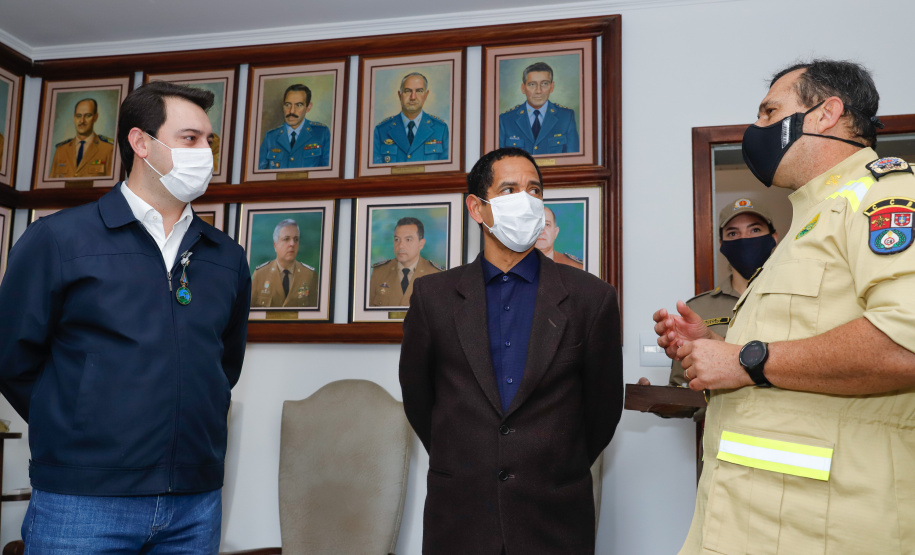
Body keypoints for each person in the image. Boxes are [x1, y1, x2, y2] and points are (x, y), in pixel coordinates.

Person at [655, 60, 915, 554]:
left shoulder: (884, 196)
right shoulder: (807, 223)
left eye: (770, 111)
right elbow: (790, 350)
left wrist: (743, 360)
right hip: (754, 517)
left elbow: (906, 343)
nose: (757, 130)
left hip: (830, 526)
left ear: (826, 113)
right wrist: (714, 348)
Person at [0, 80, 251, 552]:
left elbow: (224, 367)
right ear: (141, 143)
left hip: (194, 503)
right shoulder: (58, 240)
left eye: (208, 141)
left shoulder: (227, 257)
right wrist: (77, 423)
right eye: (190, 139)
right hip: (82, 499)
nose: (205, 154)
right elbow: (11, 357)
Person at [399, 147, 622, 554]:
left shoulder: (593, 298)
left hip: (554, 517)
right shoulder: (433, 297)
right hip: (460, 515)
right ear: (477, 208)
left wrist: (550, 463)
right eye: (509, 189)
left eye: (534, 190)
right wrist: (471, 457)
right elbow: (419, 398)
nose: (526, 199)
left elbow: (603, 409)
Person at [499, 61, 579, 155]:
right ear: (523, 88)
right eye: (532, 84)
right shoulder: (505, 120)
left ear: (552, 87)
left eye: (544, 84)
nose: (538, 91)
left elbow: (573, 160)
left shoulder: (566, 117)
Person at [373, 72, 449, 164]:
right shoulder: (381, 131)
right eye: (408, 91)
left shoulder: (440, 129)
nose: (413, 97)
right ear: (399, 95)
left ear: (426, 95)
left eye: (419, 91)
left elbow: (446, 171)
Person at [368, 216, 443, 307]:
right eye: (397, 240)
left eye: (408, 240)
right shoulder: (379, 272)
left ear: (421, 244)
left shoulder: (435, 274)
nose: (401, 246)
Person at [258, 84, 329, 169]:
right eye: (287, 105)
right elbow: (258, 175)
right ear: (283, 106)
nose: (291, 111)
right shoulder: (271, 137)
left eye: (298, 105)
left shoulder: (321, 134)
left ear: (308, 107)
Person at [251, 218, 318, 308]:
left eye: (296, 239)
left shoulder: (309, 275)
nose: (292, 244)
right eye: (286, 239)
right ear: (275, 245)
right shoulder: (260, 275)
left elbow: (316, 316)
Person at [49, 98, 115, 178]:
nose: (82, 121)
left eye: (87, 116)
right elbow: (50, 185)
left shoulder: (108, 149)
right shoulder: (61, 150)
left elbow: (111, 186)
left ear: (95, 117)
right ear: (74, 118)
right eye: (78, 116)